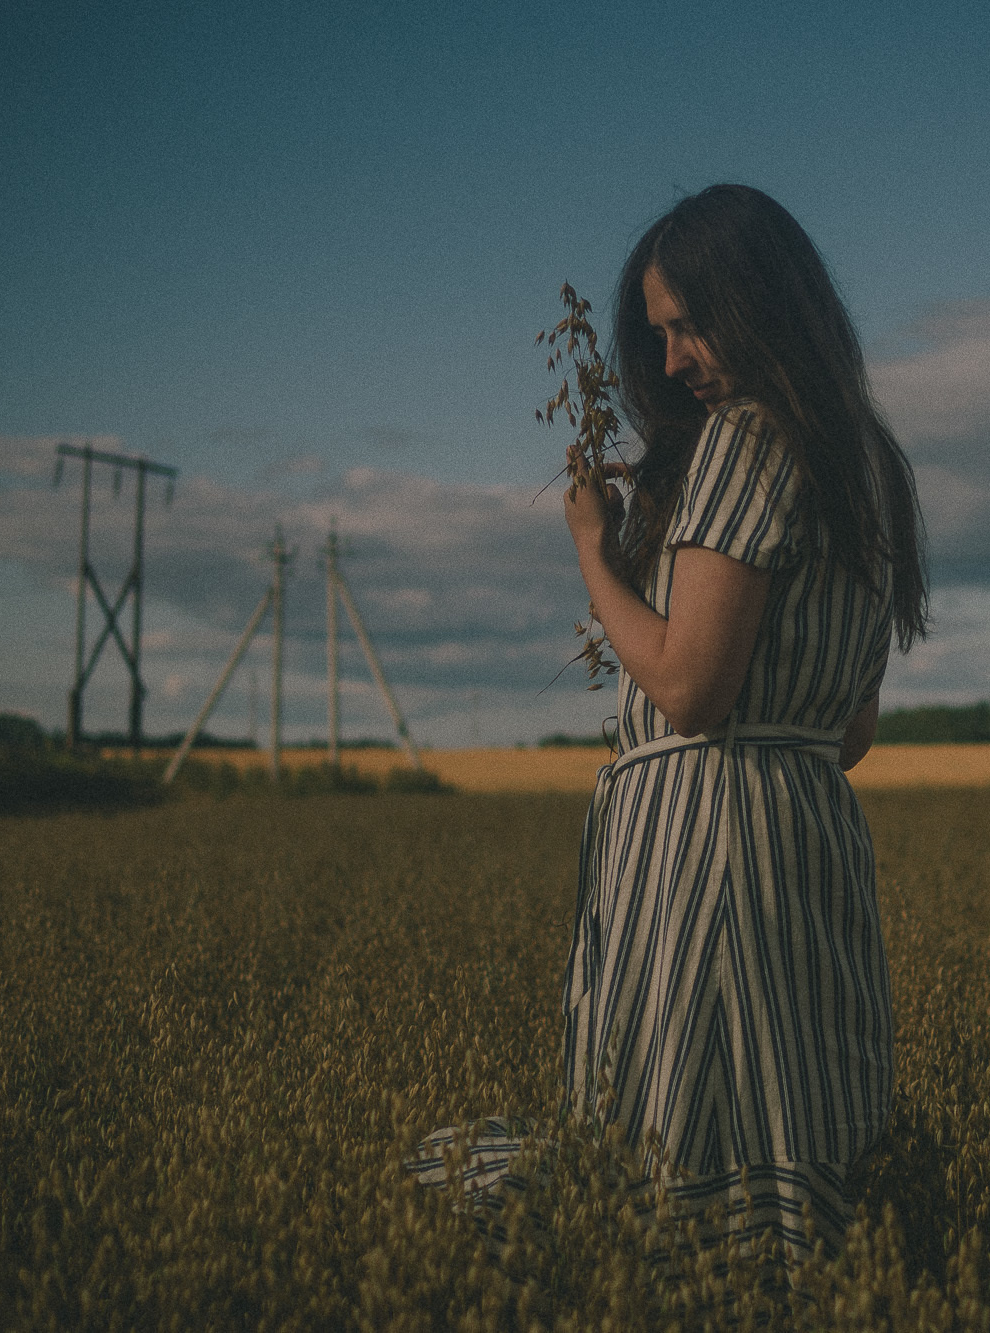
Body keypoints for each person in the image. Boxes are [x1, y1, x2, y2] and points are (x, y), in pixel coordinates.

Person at [410, 184, 927, 1285]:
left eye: (691, 323)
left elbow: (689, 688)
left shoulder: (744, 440)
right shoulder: (872, 465)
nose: (678, 357)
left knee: (670, 1129)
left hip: (704, 836)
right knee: (789, 1119)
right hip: (808, 830)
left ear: (760, 305)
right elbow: (849, 730)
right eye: (659, 334)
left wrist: (597, 552)